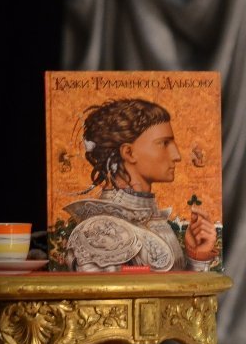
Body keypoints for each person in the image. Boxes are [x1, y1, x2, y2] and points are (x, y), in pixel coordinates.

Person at [62, 98, 218, 272]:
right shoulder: (102, 230)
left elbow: (175, 287)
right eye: (164, 143)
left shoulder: (151, 218)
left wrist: (197, 256)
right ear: (129, 152)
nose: (177, 156)